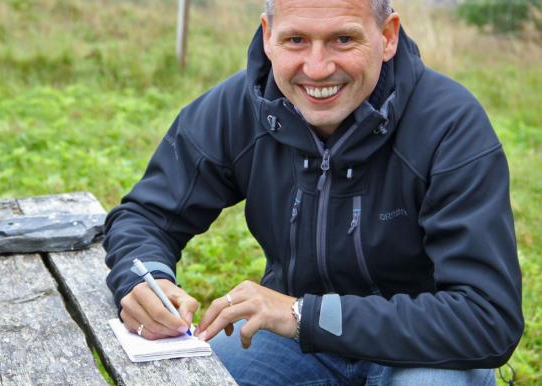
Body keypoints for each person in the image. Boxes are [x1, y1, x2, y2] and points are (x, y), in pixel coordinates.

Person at [103, 0, 524, 384]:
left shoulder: (450, 125)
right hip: (293, 345)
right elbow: (146, 217)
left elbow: (487, 317)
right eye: (295, 40)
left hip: (420, 351)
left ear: (388, 36)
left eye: (343, 39)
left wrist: (303, 314)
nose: (318, 68)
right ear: (268, 36)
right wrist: (147, 279)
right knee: (191, 377)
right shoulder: (239, 108)